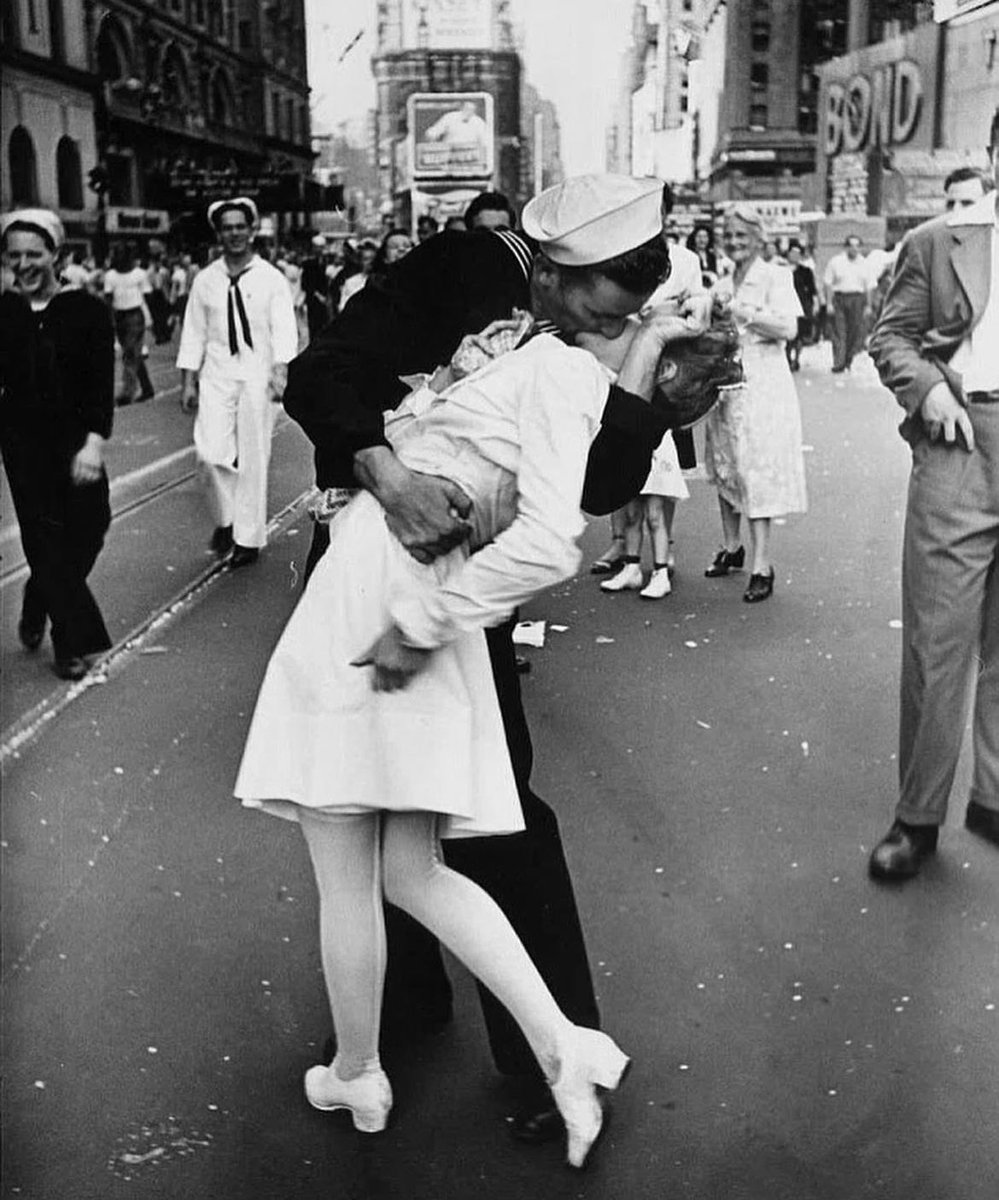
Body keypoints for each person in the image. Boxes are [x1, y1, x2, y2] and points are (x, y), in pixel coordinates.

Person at [236, 174, 733, 1167]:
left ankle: (529, 1055)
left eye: (630, 310)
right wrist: (390, 476)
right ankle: (401, 1014)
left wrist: (646, 381)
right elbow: (322, 374)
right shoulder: (463, 267)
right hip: (385, 551)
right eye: (604, 305)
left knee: (476, 818)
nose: (609, 324)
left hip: (453, 591)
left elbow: (594, 487)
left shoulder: (609, 336)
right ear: (550, 270)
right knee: (390, 834)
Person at [866, 108, 999, 881]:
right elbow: (889, 337)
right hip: (961, 442)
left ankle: (993, 798)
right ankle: (915, 819)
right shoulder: (937, 241)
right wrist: (928, 390)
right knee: (937, 642)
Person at [0, 209, 115, 681]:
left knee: (91, 526)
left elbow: (100, 384)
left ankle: (39, 595)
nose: (23, 264)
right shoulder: (5, 312)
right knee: (45, 538)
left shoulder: (87, 311)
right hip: (22, 445)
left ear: (56, 255)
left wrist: (94, 443)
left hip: (75, 441)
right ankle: (71, 642)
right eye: (14, 256)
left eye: (34, 254)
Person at [176, 197, 298, 567]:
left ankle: (248, 538)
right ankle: (226, 519)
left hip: (258, 375)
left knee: (254, 456)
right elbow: (194, 331)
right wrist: (188, 381)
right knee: (210, 454)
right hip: (217, 374)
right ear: (218, 233)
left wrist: (281, 372)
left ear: (252, 230)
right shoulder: (206, 280)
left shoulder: (271, 278)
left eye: (240, 227)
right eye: (227, 228)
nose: (234, 234)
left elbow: (284, 329)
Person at [703, 203, 808, 603]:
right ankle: (732, 546)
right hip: (725, 383)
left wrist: (739, 311)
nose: (734, 242)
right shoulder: (722, 280)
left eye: (741, 236)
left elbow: (788, 327)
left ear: (759, 238)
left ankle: (762, 564)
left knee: (756, 468)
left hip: (763, 384)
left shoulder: (776, 276)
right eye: (728, 235)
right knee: (726, 464)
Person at [593, 236, 706, 594]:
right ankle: (631, 565)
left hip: (656, 429)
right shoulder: (621, 331)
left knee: (655, 509)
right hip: (629, 414)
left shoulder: (684, 268)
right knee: (630, 508)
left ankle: (660, 567)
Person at [103, 245, 154, 404]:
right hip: (119, 315)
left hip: (135, 315)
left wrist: (149, 317)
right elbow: (108, 298)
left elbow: (148, 295)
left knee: (130, 353)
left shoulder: (139, 274)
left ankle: (127, 392)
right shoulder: (110, 276)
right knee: (131, 353)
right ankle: (147, 388)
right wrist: (109, 319)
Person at [823, 235, 872, 373]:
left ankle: (848, 359)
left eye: (857, 246)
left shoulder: (865, 264)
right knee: (839, 331)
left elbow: (869, 286)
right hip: (840, 298)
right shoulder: (836, 262)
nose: (854, 249)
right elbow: (828, 283)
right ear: (846, 247)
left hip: (857, 299)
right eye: (851, 245)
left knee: (854, 331)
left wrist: (868, 305)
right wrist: (829, 303)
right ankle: (839, 362)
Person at [785, 241, 818, 372]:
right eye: (792, 253)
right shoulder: (781, 270)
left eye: (797, 254)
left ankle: (797, 358)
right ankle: (787, 357)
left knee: (799, 334)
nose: (795, 256)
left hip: (801, 305)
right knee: (787, 333)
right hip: (785, 305)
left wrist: (813, 305)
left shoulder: (806, 271)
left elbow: (812, 290)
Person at [301, 235, 332, 341]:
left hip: (326, 301)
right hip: (314, 302)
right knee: (314, 329)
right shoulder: (308, 264)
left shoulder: (327, 262)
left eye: (321, 247)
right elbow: (305, 284)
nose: (320, 250)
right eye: (317, 247)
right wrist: (318, 295)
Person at [337, 239, 378, 312]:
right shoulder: (351, 282)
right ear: (361, 261)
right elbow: (343, 307)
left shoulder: (383, 281)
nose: (370, 262)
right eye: (366, 259)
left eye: (373, 259)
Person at [686, 223, 719, 288]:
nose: (702, 240)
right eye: (699, 237)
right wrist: (705, 273)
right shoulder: (689, 255)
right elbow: (687, 274)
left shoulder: (712, 256)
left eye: (705, 237)